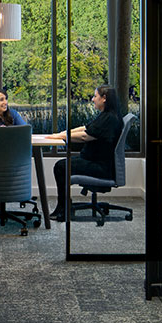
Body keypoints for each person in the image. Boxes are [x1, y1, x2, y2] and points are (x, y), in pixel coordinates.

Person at [47, 85, 123, 221]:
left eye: (95, 96)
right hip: (95, 161)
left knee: (61, 167)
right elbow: (86, 128)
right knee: (62, 165)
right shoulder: (106, 115)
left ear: (104, 98)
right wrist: (62, 133)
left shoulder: (110, 119)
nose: (93, 99)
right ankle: (64, 206)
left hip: (101, 167)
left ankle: (63, 209)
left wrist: (61, 137)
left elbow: (85, 137)